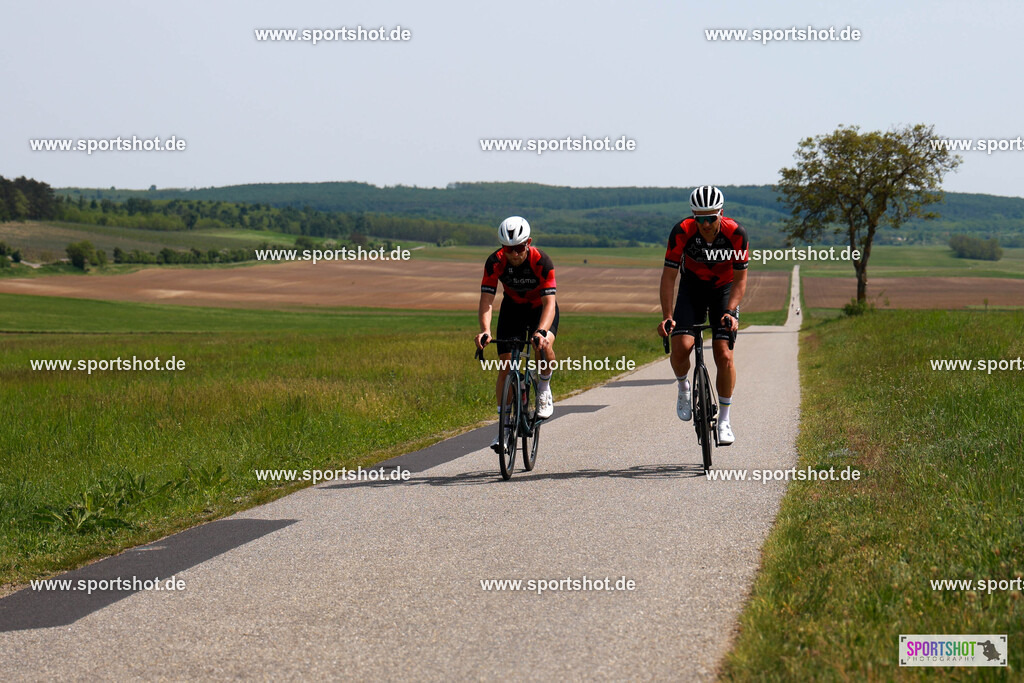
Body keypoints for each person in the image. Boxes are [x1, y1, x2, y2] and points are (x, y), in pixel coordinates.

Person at [657, 186, 748, 445]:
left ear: (721, 213)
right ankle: (684, 386)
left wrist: (731, 311)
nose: (706, 224)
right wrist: (667, 315)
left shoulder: (737, 234)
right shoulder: (682, 232)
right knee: (681, 346)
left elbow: (741, 280)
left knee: (724, 354)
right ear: (693, 217)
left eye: (711, 218)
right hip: (692, 288)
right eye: (700, 219)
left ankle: (725, 420)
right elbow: (668, 277)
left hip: (724, 290)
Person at [475, 217, 559, 451]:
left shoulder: (542, 261)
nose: (514, 253)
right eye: (508, 248)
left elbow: (549, 302)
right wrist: (485, 331)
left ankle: (543, 387)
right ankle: (503, 430)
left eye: (519, 248)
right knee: (505, 366)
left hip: (540, 309)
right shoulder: (494, 262)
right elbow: (487, 301)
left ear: (528, 243)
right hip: (512, 308)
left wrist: (542, 331)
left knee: (543, 346)